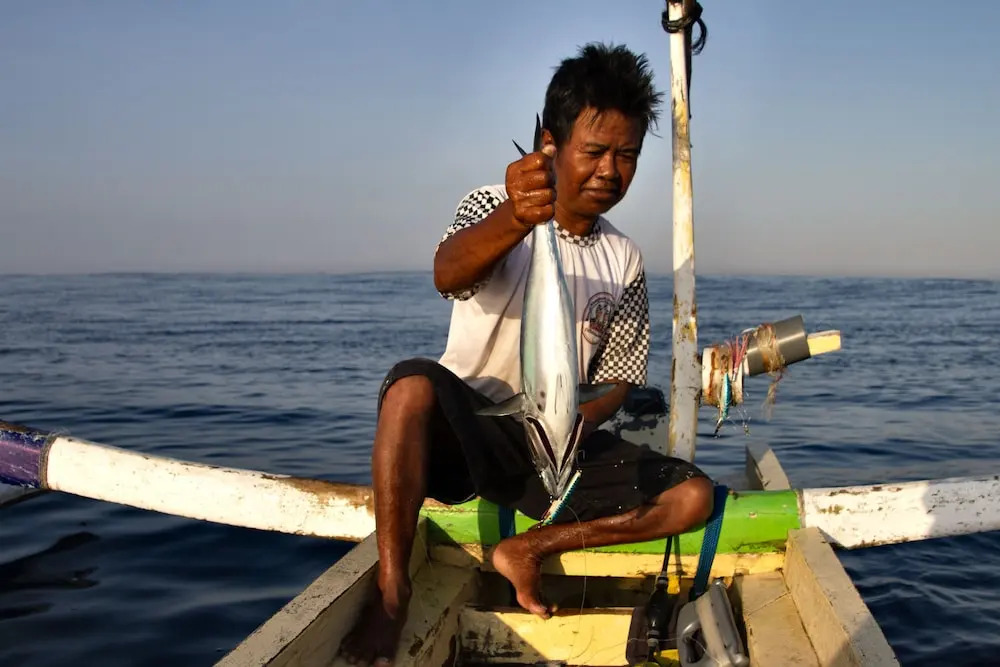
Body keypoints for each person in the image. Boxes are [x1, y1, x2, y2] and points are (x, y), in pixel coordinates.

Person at [341, 42, 714, 666]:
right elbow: (447, 274)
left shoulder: (624, 258)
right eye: (594, 151)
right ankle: (391, 590)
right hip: (472, 430)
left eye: (626, 155)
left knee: (692, 497)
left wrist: (571, 423)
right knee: (409, 387)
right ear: (550, 144)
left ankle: (530, 548)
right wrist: (517, 217)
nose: (610, 171)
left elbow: (619, 379)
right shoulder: (491, 205)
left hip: (557, 441)